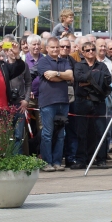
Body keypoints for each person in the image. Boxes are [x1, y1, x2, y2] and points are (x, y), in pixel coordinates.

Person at [33, 36, 72, 171]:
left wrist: (56, 73)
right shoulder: (43, 62)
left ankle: (57, 161)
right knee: (47, 134)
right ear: (47, 48)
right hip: (48, 102)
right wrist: (62, 75)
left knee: (61, 134)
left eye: (57, 47)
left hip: (63, 101)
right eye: (53, 47)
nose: (56, 49)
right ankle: (46, 162)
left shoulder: (64, 61)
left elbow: (70, 76)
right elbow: (51, 78)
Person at [72, 36, 111, 169]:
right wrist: (95, 77)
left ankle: (101, 159)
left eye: (92, 49)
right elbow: (78, 78)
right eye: (87, 50)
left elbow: (107, 80)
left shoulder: (102, 65)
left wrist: (88, 81)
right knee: (81, 132)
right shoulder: (79, 65)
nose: (90, 52)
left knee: (100, 132)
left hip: (98, 102)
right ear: (82, 53)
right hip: (82, 102)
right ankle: (82, 160)